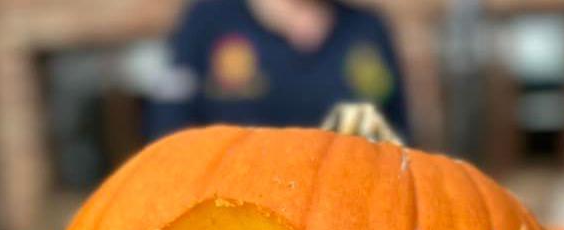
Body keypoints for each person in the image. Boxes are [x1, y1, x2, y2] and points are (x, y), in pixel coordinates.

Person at [147, 0, 409, 140]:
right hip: (231, 205)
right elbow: (169, 129)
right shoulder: (207, 21)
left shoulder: (367, 28)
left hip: (350, 207)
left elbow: (396, 131)